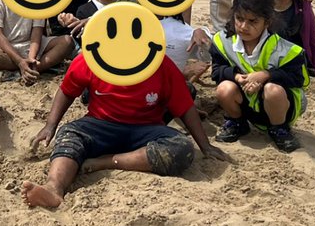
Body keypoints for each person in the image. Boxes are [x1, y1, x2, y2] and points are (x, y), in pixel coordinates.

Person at [21, 50, 227, 209]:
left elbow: (184, 105)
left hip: (147, 129)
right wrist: (50, 126)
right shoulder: (91, 58)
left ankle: (104, 162)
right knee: (69, 135)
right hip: (99, 125)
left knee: (182, 147)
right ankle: (53, 188)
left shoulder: (159, 63)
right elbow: (67, 90)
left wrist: (205, 146)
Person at [210, 0, 310, 153]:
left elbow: (298, 78)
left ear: (267, 21)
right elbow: (217, 70)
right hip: (246, 103)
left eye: (252, 21)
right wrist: (236, 77)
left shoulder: (283, 48)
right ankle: (237, 123)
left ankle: (279, 129)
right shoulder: (222, 41)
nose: (243, 26)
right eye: (239, 18)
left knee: (273, 90)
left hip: (280, 106)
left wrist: (266, 76)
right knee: (223, 88)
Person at [0, 0, 75, 86]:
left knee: (67, 42)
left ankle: (27, 70)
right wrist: (19, 61)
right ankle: (33, 69)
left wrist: (31, 58)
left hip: (29, 45)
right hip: (2, 48)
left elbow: (37, 31)